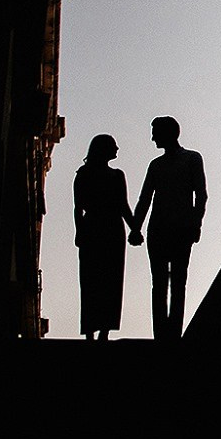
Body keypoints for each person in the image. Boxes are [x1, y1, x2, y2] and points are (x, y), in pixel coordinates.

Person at [130, 115, 207, 343]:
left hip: (181, 229)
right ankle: (161, 334)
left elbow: (200, 195)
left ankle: (173, 333)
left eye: (156, 132)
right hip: (159, 230)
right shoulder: (156, 165)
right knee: (159, 283)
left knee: (178, 283)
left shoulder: (192, 159)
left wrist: (196, 223)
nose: (153, 137)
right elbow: (144, 199)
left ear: (169, 133)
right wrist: (136, 228)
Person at [72, 134, 134, 341]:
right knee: (96, 280)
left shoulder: (97, 174)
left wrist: (135, 228)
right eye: (113, 146)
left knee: (104, 280)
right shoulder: (99, 175)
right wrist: (135, 228)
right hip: (104, 230)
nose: (117, 149)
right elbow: (79, 207)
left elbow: (79, 209)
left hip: (101, 230)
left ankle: (100, 330)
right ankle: (95, 330)